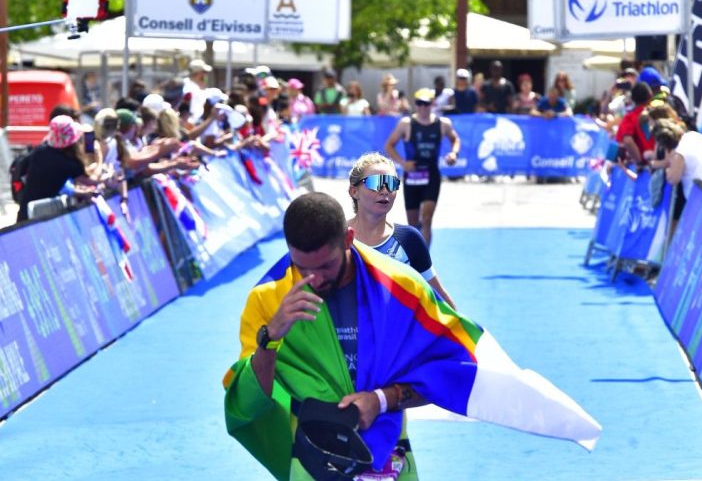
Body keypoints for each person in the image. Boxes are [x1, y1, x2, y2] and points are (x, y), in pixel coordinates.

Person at [223, 192, 602, 481]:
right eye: (301, 267)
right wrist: (270, 338)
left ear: (350, 238)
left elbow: (452, 372)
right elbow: (248, 404)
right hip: (314, 462)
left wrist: (383, 399)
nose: (314, 279)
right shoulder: (268, 298)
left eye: (325, 265)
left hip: (389, 457)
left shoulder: (402, 288)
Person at [347, 152, 456, 308]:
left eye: (391, 183)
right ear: (354, 191)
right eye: (376, 182)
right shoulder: (334, 238)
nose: (384, 190)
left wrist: (467, 331)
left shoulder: (409, 240)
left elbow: (439, 298)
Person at [383, 88, 461, 246]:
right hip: (412, 176)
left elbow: (455, 139)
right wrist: (403, 163)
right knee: (412, 224)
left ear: (432, 104)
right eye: (419, 103)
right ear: (415, 104)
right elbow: (389, 146)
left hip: (431, 174)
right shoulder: (406, 124)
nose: (423, 107)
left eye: (426, 104)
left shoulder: (443, 124)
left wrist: (453, 153)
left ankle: (425, 260)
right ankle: (415, 255)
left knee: (426, 218)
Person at [16, 115, 98, 222]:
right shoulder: (69, 162)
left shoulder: (39, 151)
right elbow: (91, 182)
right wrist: (99, 158)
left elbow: (45, 183)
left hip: (25, 214)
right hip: (46, 218)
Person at [182, 58, 213, 123]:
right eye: (204, 72)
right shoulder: (187, 85)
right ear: (198, 72)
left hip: (200, 122)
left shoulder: (199, 87)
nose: (205, 75)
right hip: (190, 123)